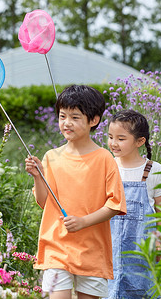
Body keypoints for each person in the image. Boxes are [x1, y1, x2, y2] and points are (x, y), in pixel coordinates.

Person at [25, 85, 127, 299]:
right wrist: (38, 175)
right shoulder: (51, 156)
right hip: (57, 247)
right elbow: (44, 202)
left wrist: (83, 222)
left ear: (94, 120)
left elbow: (115, 205)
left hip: (92, 250)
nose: (66, 123)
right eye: (62, 116)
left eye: (75, 117)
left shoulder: (104, 158)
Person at [106, 109, 161, 299]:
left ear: (140, 141)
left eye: (121, 138)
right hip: (109, 251)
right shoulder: (107, 166)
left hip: (142, 255)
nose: (113, 143)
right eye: (110, 137)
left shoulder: (153, 170)